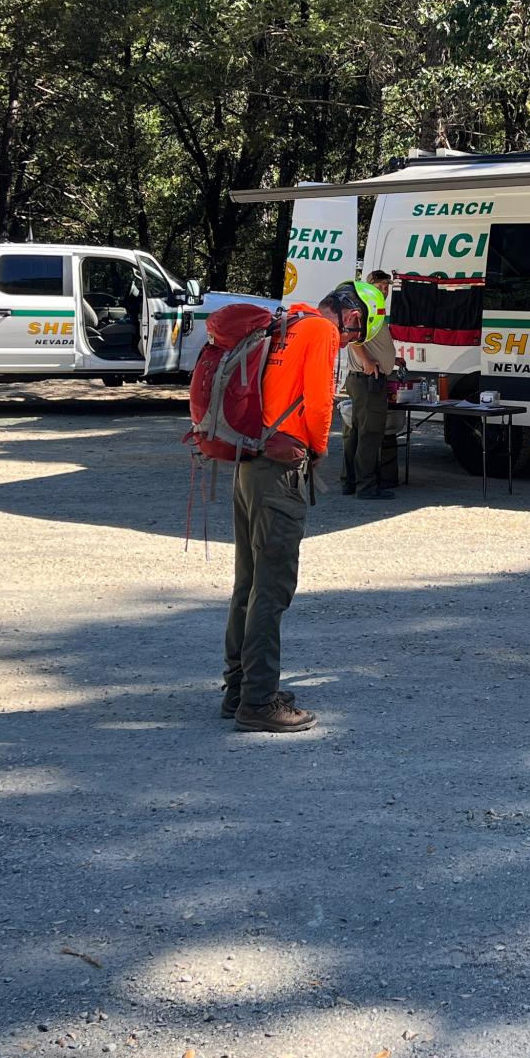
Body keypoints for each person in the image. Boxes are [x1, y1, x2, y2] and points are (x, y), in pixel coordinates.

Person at [223, 281, 366, 733]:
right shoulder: (321, 332)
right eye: (355, 331)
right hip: (279, 470)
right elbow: (321, 404)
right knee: (273, 588)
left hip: (248, 462)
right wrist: (319, 451)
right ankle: (259, 702)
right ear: (348, 313)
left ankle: (238, 689)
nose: (349, 341)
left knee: (247, 583)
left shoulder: (286, 321)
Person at [340, 275, 397, 500]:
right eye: (379, 286)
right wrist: (366, 361)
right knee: (370, 433)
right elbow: (352, 337)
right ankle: (366, 487)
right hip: (367, 380)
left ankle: (351, 482)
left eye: (386, 287)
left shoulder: (370, 307)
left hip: (364, 379)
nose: (384, 290)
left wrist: (392, 359)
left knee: (356, 432)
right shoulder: (364, 306)